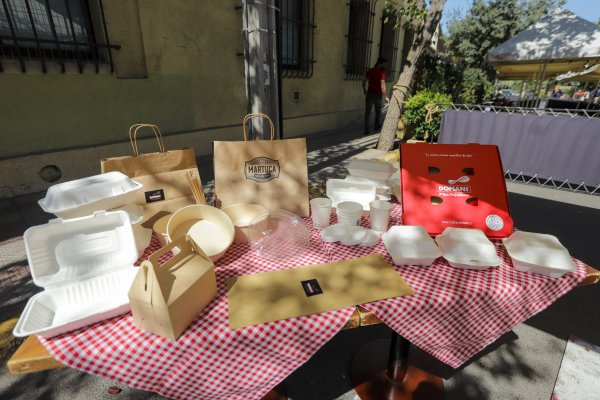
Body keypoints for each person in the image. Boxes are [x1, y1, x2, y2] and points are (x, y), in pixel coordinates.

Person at [362, 57, 390, 135]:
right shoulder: (382, 72)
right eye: (384, 64)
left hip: (369, 94)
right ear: (380, 63)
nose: (385, 66)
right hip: (377, 95)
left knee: (367, 113)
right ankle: (376, 126)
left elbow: (364, 81)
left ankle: (366, 129)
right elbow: (382, 85)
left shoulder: (369, 71)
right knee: (378, 112)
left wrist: (364, 89)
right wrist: (385, 96)